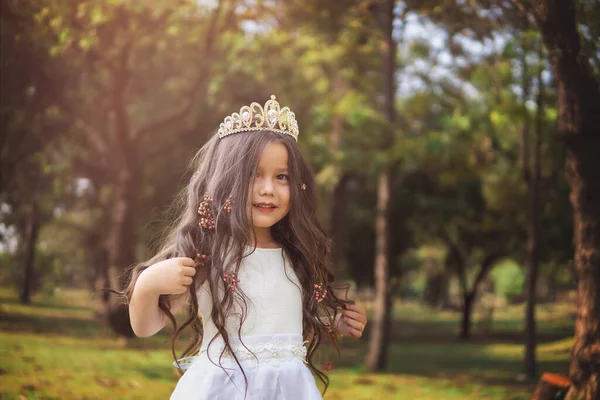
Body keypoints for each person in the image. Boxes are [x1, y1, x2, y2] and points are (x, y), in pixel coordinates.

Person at [124, 95, 367, 400]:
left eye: (282, 177)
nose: (269, 188)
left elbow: (285, 313)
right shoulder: (208, 255)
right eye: (254, 175)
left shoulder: (297, 255)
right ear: (225, 181)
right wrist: (148, 285)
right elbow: (145, 327)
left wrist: (336, 321)